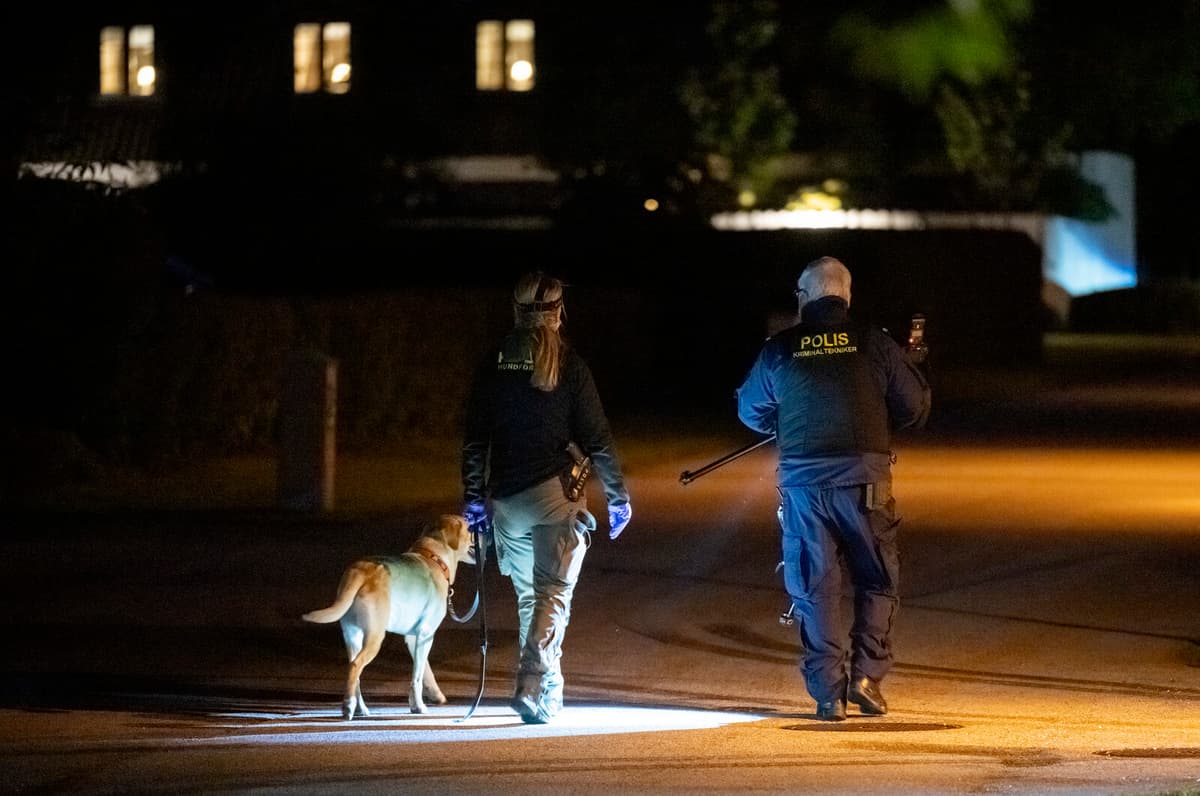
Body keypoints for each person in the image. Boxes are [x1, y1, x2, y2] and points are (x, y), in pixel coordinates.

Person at [735, 256, 930, 721]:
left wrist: (782, 421)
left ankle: (827, 694)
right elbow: (914, 408)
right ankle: (866, 679)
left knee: (814, 587)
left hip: (803, 488)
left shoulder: (780, 349)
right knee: (878, 578)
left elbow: (749, 409)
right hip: (865, 484)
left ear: (804, 299)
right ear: (847, 297)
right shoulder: (875, 344)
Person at [461, 271, 633, 725]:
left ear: (515, 312)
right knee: (553, 595)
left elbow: (475, 440)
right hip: (555, 499)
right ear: (559, 313)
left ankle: (547, 696)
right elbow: (598, 439)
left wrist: (474, 498)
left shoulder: (493, 362)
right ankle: (531, 682)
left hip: (506, 504)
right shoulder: (572, 366)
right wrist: (618, 497)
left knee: (529, 598)